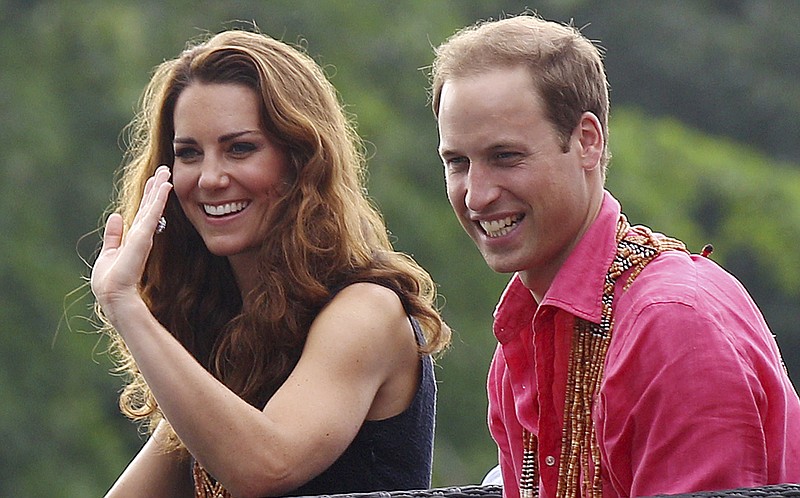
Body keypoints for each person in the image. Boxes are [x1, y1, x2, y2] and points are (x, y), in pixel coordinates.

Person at [429, 13, 800, 498]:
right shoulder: (524, 330)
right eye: (457, 162)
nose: (476, 197)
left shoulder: (673, 323)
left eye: (505, 157)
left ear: (587, 141)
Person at [90, 28, 450, 498]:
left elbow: (266, 467)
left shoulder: (365, 310)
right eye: (188, 154)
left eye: (240, 148)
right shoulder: (231, 340)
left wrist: (125, 305)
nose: (211, 178)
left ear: (302, 161)